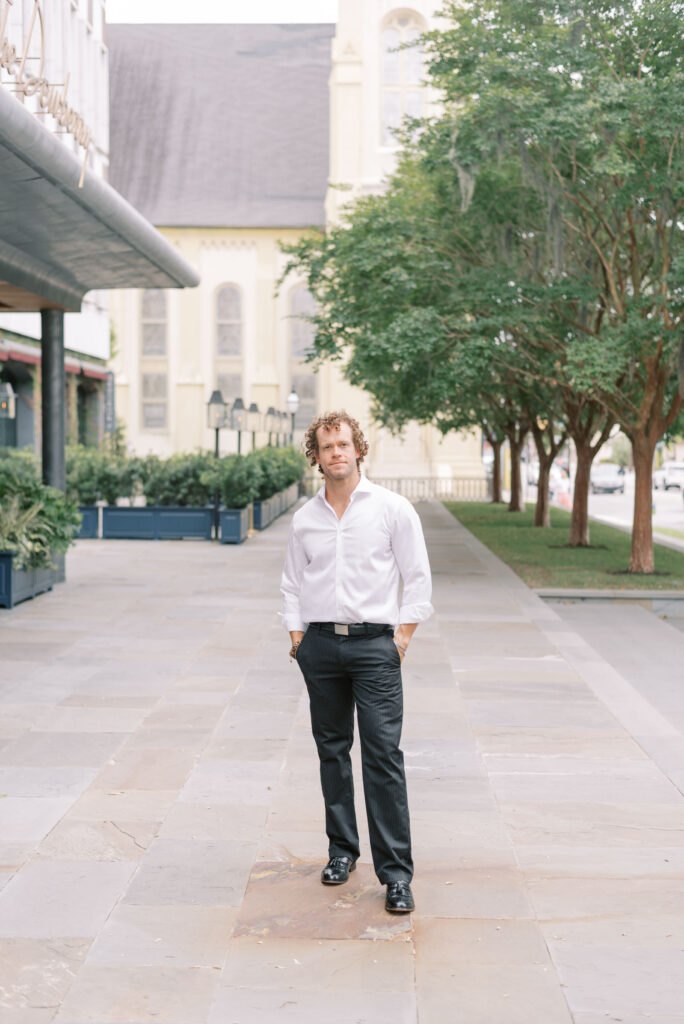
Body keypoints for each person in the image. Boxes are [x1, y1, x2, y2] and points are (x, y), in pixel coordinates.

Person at [280, 410, 433, 914]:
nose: (336, 453)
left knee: (383, 756)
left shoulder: (391, 509)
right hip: (320, 647)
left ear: (358, 449)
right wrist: (298, 636)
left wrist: (402, 637)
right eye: (327, 447)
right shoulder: (305, 519)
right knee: (332, 751)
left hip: (375, 648)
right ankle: (341, 852)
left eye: (344, 444)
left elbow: (418, 576)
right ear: (317, 457)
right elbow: (292, 581)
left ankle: (395, 875)